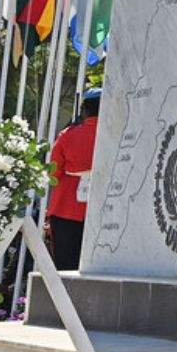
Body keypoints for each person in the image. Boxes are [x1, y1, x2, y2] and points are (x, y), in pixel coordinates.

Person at [45, 88, 101, 272]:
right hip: (103, 210)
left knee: (65, 268)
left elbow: (53, 174)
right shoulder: (115, 135)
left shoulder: (67, 135)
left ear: (84, 110)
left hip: (66, 209)